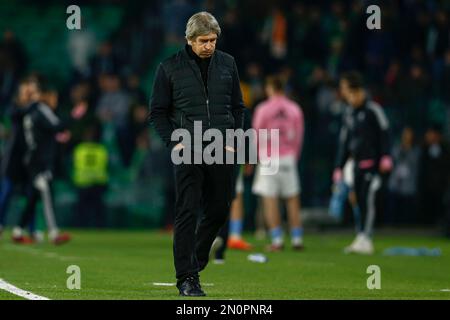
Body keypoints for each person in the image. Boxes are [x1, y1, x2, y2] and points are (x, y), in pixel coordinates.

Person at [149, 12, 245, 296]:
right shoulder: (168, 68)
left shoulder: (228, 64)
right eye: (203, 41)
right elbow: (157, 113)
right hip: (187, 148)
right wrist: (173, 143)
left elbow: (238, 107)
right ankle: (187, 278)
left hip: (222, 148)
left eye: (213, 40)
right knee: (187, 211)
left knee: (219, 209)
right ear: (189, 40)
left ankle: (195, 260)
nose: (209, 45)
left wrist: (233, 141)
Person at [12, 80, 85, 245]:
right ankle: (53, 233)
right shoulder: (42, 109)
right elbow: (57, 126)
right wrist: (75, 115)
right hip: (40, 161)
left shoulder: (32, 111)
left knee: (33, 197)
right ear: (46, 96)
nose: (55, 101)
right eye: (54, 97)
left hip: (32, 159)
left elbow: (45, 132)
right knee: (46, 194)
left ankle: (17, 230)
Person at [333, 71, 393, 255]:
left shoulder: (373, 110)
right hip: (356, 164)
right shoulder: (349, 113)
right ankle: (361, 236)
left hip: (372, 164)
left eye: (351, 94)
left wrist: (386, 155)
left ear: (359, 91)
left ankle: (367, 237)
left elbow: (385, 133)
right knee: (357, 200)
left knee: (367, 199)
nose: (349, 98)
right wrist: (339, 166)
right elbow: (345, 142)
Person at [252, 75, 305, 252]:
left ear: (270, 88)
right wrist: (294, 156)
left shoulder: (263, 109)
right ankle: (297, 239)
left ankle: (277, 240)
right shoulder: (295, 109)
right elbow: (299, 136)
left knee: (269, 200)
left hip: (269, 157)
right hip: (288, 158)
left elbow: (256, 134)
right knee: (292, 198)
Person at [0, 78, 37, 239]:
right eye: (26, 90)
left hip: (29, 157)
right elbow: (15, 115)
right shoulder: (16, 108)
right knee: (6, 192)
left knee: (31, 194)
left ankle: (31, 229)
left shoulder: (36, 110)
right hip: (14, 156)